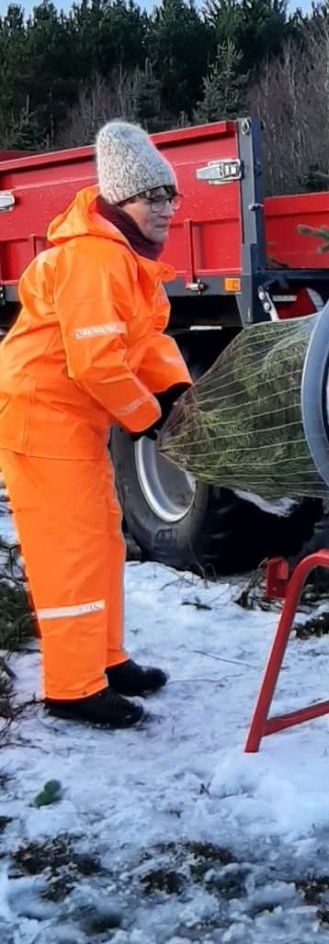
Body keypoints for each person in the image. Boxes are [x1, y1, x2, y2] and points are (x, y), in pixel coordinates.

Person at [0, 120, 192, 729]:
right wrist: (147, 415)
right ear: (120, 200)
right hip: (41, 419)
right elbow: (96, 360)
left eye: (170, 195)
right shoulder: (93, 260)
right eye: (152, 197)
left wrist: (175, 388)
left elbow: (145, 339)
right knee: (72, 551)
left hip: (67, 419)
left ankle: (104, 659)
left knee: (103, 540)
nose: (165, 209)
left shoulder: (124, 259)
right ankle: (73, 686)